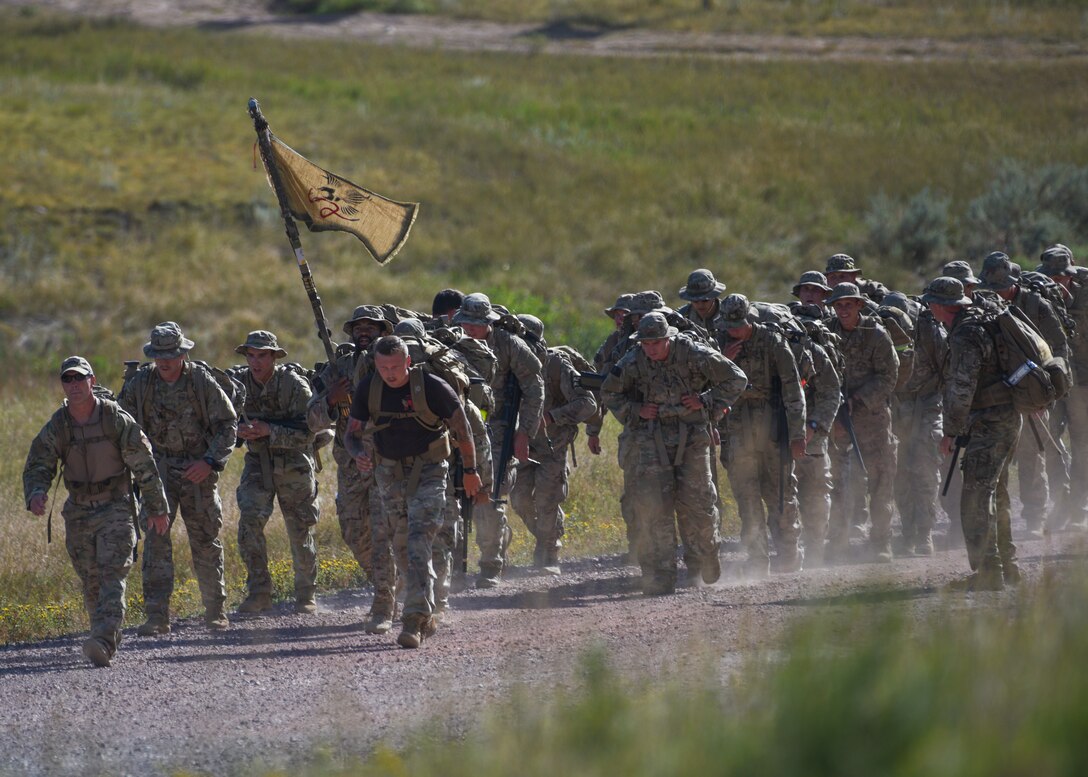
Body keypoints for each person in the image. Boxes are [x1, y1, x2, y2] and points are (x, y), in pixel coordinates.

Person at [23, 357, 170, 667]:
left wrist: (156, 507)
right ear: (63, 384)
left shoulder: (115, 419)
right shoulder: (59, 424)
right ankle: (105, 634)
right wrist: (37, 492)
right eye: (68, 379)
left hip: (116, 506)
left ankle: (102, 639)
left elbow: (144, 463)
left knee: (113, 573)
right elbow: (40, 461)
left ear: (92, 381)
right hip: (78, 510)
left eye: (80, 378)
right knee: (90, 580)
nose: (74, 385)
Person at [344, 336, 483, 648]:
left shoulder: (432, 387)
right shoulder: (370, 388)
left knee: (420, 539)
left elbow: (463, 430)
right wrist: (357, 453)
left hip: (430, 472)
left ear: (408, 362)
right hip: (389, 473)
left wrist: (472, 472)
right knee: (402, 545)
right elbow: (351, 434)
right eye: (383, 367)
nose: (390, 373)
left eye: (395, 366)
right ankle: (426, 612)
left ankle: (414, 620)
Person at [601, 312, 747, 595]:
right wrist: (635, 411)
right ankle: (660, 575)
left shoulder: (693, 353)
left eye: (656, 342)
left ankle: (706, 553)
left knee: (699, 504)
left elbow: (736, 378)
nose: (651, 348)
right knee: (654, 508)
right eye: (646, 343)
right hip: (651, 439)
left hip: (692, 437)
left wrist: (705, 401)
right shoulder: (632, 360)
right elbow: (610, 392)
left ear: (667, 338)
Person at [118, 322, 237, 634]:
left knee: (205, 541)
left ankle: (215, 611)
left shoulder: (200, 381)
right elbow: (121, 426)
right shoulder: (141, 383)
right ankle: (157, 617)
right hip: (157, 476)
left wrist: (209, 461)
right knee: (156, 544)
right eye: (160, 355)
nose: (165, 361)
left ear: (183, 353)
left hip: (198, 473)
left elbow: (228, 425)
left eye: (171, 354)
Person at [922, 277, 1021, 590]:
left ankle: (989, 572)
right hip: (1006, 418)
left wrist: (950, 431)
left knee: (976, 498)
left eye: (930, 302)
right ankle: (1007, 565)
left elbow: (962, 388)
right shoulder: (983, 320)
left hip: (988, 423)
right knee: (997, 494)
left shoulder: (965, 334)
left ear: (939, 305)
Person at [306, 305, 396, 629]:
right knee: (354, 531)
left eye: (371, 327)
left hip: (387, 463)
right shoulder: (338, 368)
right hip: (351, 466)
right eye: (358, 327)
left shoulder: (390, 363)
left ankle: (384, 604)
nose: (363, 332)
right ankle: (388, 587)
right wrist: (331, 399)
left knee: (384, 532)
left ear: (383, 332)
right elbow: (312, 420)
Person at [453, 293, 544, 588]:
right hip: (458, 426)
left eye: (477, 324)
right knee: (454, 494)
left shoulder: (507, 344)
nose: (471, 329)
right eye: (466, 323)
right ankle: (453, 566)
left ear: (488, 323)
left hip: (497, 429)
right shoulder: (451, 341)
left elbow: (534, 385)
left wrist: (524, 433)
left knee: (489, 497)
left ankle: (491, 563)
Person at [979, 251, 1070, 538]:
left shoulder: (1035, 304)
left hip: (1036, 391)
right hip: (1003, 391)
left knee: (1032, 456)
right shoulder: (987, 305)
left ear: (1014, 283)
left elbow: (1058, 350)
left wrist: (1047, 394)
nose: (998, 294)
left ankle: (1034, 518)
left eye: (1002, 288)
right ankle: (999, 522)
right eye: (992, 288)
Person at [715, 295, 807, 575]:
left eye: (738, 325)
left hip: (772, 431)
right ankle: (757, 559)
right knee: (747, 498)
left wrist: (797, 433)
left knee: (780, 495)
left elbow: (793, 390)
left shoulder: (773, 343)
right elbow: (708, 385)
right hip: (738, 432)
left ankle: (789, 554)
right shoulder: (719, 344)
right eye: (729, 325)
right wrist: (723, 360)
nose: (733, 331)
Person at [231, 330, 320, 615]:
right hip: (258, 462)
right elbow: (221, 424)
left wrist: (270, 430)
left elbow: (310, 432)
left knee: (299, 528)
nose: (256, 362)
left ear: (274, 356)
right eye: (251, 356)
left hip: (293, 462)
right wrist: (239, 432)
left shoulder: (293, 385)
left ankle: (306, 594)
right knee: (249, 525)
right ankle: (259, 592)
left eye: (262, 356)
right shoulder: (238, 385)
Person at [509, 315, 598, 574]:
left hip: (553, 445)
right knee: (520, 499)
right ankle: (545, 538)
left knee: (548, 498)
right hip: (520, 445)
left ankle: (548, 551)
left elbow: (587, 403)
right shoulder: (509, 364)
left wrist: (552, 417)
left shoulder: (557, 365)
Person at [824, 284, 899, 563]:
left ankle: (881, 542)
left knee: (880, 483)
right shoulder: (826, 332)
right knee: (837, 483)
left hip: (873, 421)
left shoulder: (876, 336)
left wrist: (859, 398)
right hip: (838, 420)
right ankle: (838, 544)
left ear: (858, 305)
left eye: (848, 304)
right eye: (838, 305)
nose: (843, 310)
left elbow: (889, 376)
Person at [1036, 244, 1088, 531]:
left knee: (1082, 445)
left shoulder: (1086, 295)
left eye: (1062, 277)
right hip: (1052, 384)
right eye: (1052, 278)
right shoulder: (1038, 297)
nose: (1057, 283)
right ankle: (1062, 500)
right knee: (1051, 443)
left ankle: (1079, 506)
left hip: (1083, 383)